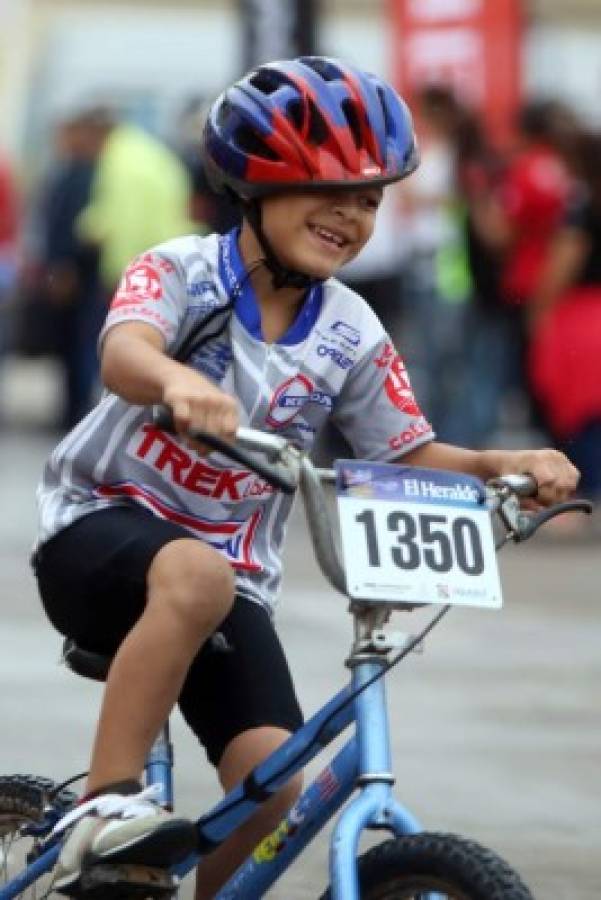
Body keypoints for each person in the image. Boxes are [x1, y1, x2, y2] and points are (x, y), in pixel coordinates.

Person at [32, 57, 579, 899]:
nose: (350, 214)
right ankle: (103, 808)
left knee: (272, 788)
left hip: (230, 585)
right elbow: (124, 352)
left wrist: (499, 465)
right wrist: (178, 382)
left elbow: (400, 452)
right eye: (326, 187)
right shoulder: (183, 271)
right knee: (193, 571)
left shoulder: (350, 329)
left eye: (369, 199)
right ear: (254, 184)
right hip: (100, 531)